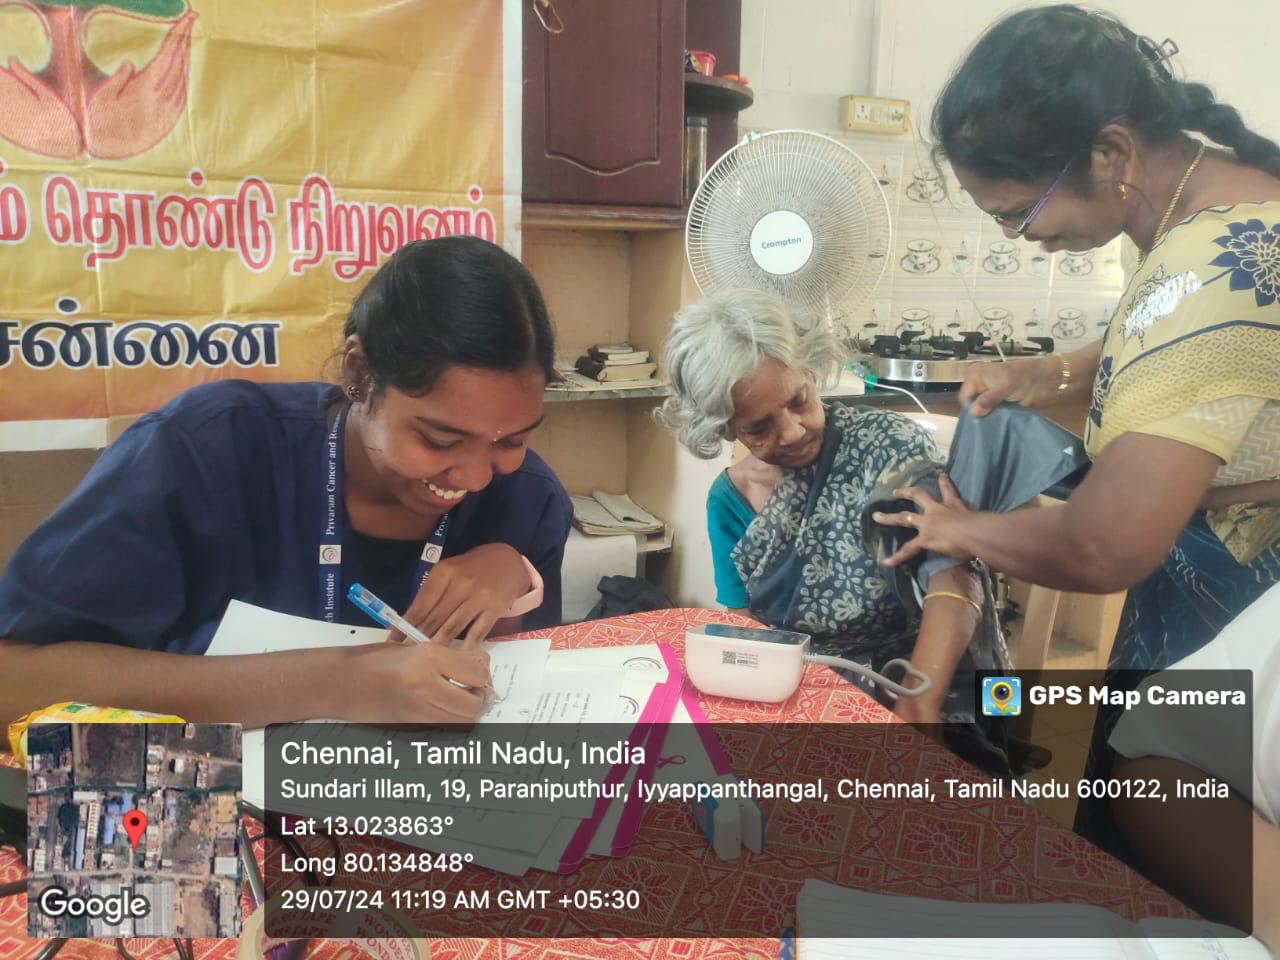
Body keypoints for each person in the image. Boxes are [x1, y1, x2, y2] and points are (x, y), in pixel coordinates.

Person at [0, 236, 573, 730]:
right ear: (359, 373)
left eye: (511, 440)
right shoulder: (206, 450)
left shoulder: (527, 500)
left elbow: (518, 691)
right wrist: (337, 682)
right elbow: (15, 679)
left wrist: (513, 585)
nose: (475, 476)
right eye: (439, 440)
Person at [875, 4, 1280, 675]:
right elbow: (1177, 348)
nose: (1020, 237)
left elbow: (1105, 543)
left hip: (1244, 598)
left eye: (1019, 212)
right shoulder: (1206, 206)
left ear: (1110, 153)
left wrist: (961, 529)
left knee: (1191, 743)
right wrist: (1046, 374)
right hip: (1217, 567)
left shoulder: (1216, 264)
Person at [659, 288, 1003, 725]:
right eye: (759, 427)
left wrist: (919, 702)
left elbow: (954, 575)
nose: (792, 432)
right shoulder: (728, 499)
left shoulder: (886, 449)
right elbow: (745, 624)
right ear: (725, 428)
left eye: (799, 400)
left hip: (916, 670)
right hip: (800, 677)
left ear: (812, 369)